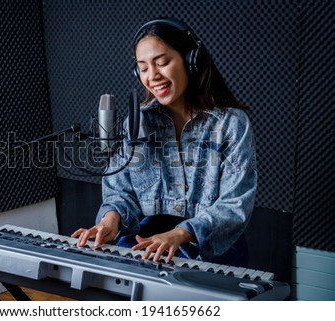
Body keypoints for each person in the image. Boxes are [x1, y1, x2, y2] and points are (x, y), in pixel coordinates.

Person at [72, 18, 257, 267]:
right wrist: (110, 220)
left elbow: (235, 204)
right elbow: (121, 190)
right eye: (143, 68)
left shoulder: (231, 124)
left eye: (162, 63)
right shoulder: (136, 123)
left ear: (191, 61)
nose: (153, 76)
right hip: (148, 241)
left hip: (210, 247)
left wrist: (180, 234)